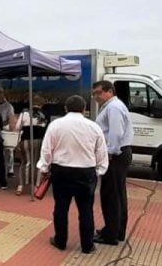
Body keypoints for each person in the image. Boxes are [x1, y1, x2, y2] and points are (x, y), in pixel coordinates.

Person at [37, 95, 108, 254]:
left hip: (61, 170)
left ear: (65, 109)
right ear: (84, 109)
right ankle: (87, 245)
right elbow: (101, 152)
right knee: (86, 209)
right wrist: (98, 171)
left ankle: (60, 241)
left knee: (61, 207)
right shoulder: (94, 127)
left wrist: (44, 168)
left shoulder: (55, 125)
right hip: (86, 172)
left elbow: (47, 149)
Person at [92, 81, 134, 245]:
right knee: (117, 194)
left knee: (110, 195)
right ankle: (116, 231)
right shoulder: (112, 106)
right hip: (119, 154)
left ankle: (110, 234)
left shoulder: (114, 107)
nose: (96, 97)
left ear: (109, 91)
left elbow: (116, 133)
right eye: (94, 93)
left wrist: (109, 153)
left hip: (116, 155)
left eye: (98, 93)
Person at [14, 96, 48, 195]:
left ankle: (21, 186)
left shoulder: (24, 112)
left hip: (25, 140)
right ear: (42, 104)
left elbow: (17, 127)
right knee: (37, 162)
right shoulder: (44, 114)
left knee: (25, 162)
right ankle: (36, 186)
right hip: (39, 140)